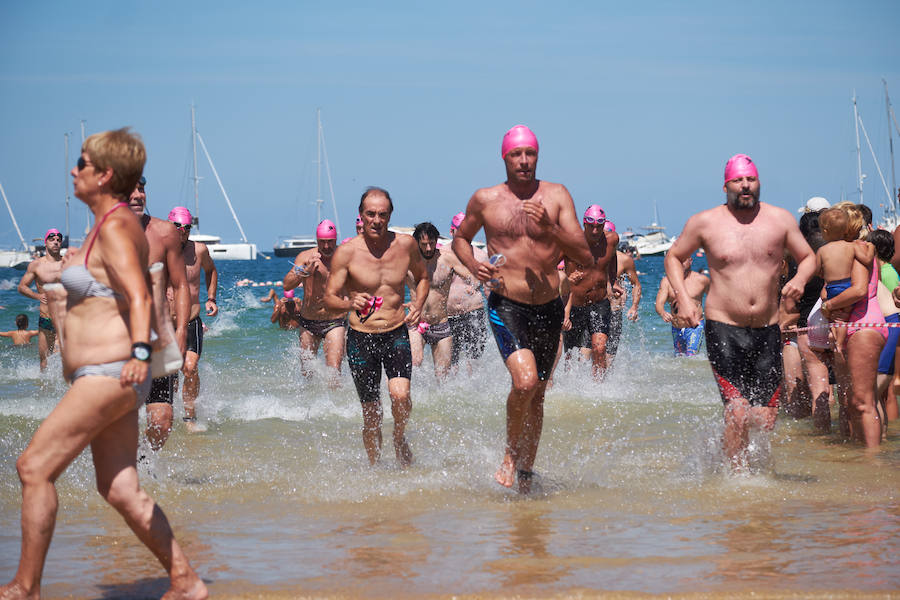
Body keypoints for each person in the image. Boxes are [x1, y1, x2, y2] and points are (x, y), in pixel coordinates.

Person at [0, 128, 206, 600]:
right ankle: (186, 581)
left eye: (83, 164)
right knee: (119, 488)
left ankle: (26, 586)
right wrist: (62, 270)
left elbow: (139, 293)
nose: (74, 171)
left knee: (33, 468)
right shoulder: (108, 226)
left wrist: (140, 354)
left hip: (111, 370)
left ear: (105, 175)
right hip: (112, 372)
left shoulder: (114, 227)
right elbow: (110, 288)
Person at [452, 124, 592, 493]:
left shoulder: (557, 195)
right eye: (517, 154)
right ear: (505, 158)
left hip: (548, 307)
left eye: (530, 154)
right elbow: (460, 238)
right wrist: (474, 265)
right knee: (525, 382)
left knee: (538, 394)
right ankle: (510, 455)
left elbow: (584, 254)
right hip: (507, 305)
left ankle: (527, 474)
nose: (524, 161)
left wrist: (551, 227)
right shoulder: (486, 199)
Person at [665, 153, 815, 470]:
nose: (745, 185)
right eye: (738, 180)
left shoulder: (780, 220)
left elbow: (808, 257)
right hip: (724, 328)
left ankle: (726, 454)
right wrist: (685, 298)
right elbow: (674, 257)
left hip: (767, 329)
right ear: (726, 186)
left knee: (765, 418)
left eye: (751, 179)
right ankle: (737, 479)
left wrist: (801, 279)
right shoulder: (705, 222)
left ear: (759, 183)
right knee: (737, 411)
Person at [323, 187, 429, 467]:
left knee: (401, 396)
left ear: (390, 215)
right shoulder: (346, 253)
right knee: (371, 415)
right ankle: (375, 470)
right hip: (361, 339)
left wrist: (419, 303)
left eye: (382, 214)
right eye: (370, 214)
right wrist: (349, 303)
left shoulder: (405, 245)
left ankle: (399, 437)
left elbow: (423, 277)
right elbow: (329, 298)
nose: (376, 220)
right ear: (361, 215)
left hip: (395, 333)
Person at [127, 176, 191, 451]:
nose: (137, 195)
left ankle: (143, 461)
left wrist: (181, 330)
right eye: (129, 189)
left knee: (162, 422)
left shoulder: (165, 233)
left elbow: (180, 285)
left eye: (141, 189)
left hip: (157, 339)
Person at [820, 202, 885, 447]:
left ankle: (872, 459)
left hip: (863, 324)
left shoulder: (857, 250)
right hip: (852, 325)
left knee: (862, 401)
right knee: (852, 401)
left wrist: (828, 305)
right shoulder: (849, 251)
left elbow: (858, 290)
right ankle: (860, 454)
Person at [167, 206, 217, 432]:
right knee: (170, 375)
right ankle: (166, 413)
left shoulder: (199, 251)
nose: (183, 231)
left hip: (191, 320)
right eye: (178, 227)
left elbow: (211, 271)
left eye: (187, 227)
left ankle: (189, 416)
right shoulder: (159, 250)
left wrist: (211, 298)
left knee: (190, 367)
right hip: (166, 324)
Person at [283, 219, 348, 384]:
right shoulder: (305, 257)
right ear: (317, 240)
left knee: (333, 373)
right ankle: (311, 401)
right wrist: (306, 271)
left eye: (330, 242)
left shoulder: (345, 257)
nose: (326, 246)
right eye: (322, 242)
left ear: (336, 239)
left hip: (335, 322)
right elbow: (287, 284)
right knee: (307, 374)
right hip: (308, 323)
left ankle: (335, 401)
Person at [561, 205, 620, 379]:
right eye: (591, 226)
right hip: (575, 305)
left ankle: (598, 386)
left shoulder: (612, 240)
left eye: (599, 226)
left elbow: (612, 257)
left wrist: (613, 280)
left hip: (599, 303)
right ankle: (569, 386)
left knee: (599, 348)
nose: (595, 231)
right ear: (584, 224)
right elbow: (549, 268)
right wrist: (566, 279)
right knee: (571, 354)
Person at [406, 222, 463, 381]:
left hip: (441, 324)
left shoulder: (448, 260)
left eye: (432, 243)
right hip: (416, 323)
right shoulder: (408, 261)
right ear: (417, 242)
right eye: (424, 244)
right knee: (414, 362)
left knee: (442, 377)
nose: (429, 248)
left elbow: (472, 276)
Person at [815, 207, 874, 350]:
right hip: (847, 286)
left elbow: (816, 270)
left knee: (834, 317)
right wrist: (872, 247)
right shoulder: (851, 246)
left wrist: (825, 274)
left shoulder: (822, 250)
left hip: (831, 287)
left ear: (825, 231)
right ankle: (839, 345)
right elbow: (866, 259)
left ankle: (834, 339)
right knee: (842, 317)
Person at [447, 212, 488, 371]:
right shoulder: (441, 254)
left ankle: (476, 387)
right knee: (451, 362)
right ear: (452, 231)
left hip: (474, 312)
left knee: (474, 360)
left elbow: (488, 288)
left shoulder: (481, 256)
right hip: (448, 316)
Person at [17, 228, 64, 369]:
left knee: (63, 354)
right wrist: (37, 296)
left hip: (65, 317)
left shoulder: (68, 263)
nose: (55, 242)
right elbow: (22, 287)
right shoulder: (36, 265)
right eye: (52, 239)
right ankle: (43, 383)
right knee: (44, 360)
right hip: (46, 318)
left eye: (58, 240)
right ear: (45, 242)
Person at [655, 255, 709, 356]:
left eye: (683, 260)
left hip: (695, 327)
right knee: (679, 359)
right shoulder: (667, 281)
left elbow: (716, 299)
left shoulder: (702, 280)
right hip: (676, 328)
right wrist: (662, 313)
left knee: (691, 357)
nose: (680, 263)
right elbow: (659, 303)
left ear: (690, 261)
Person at [608, 221, 641, 358]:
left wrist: (634, 307)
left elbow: (636, 285)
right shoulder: (589, 257)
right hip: (593, 308)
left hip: (614, 310)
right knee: (593, 350)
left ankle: (607, 373)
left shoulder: (624, 260)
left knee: (610, 354)